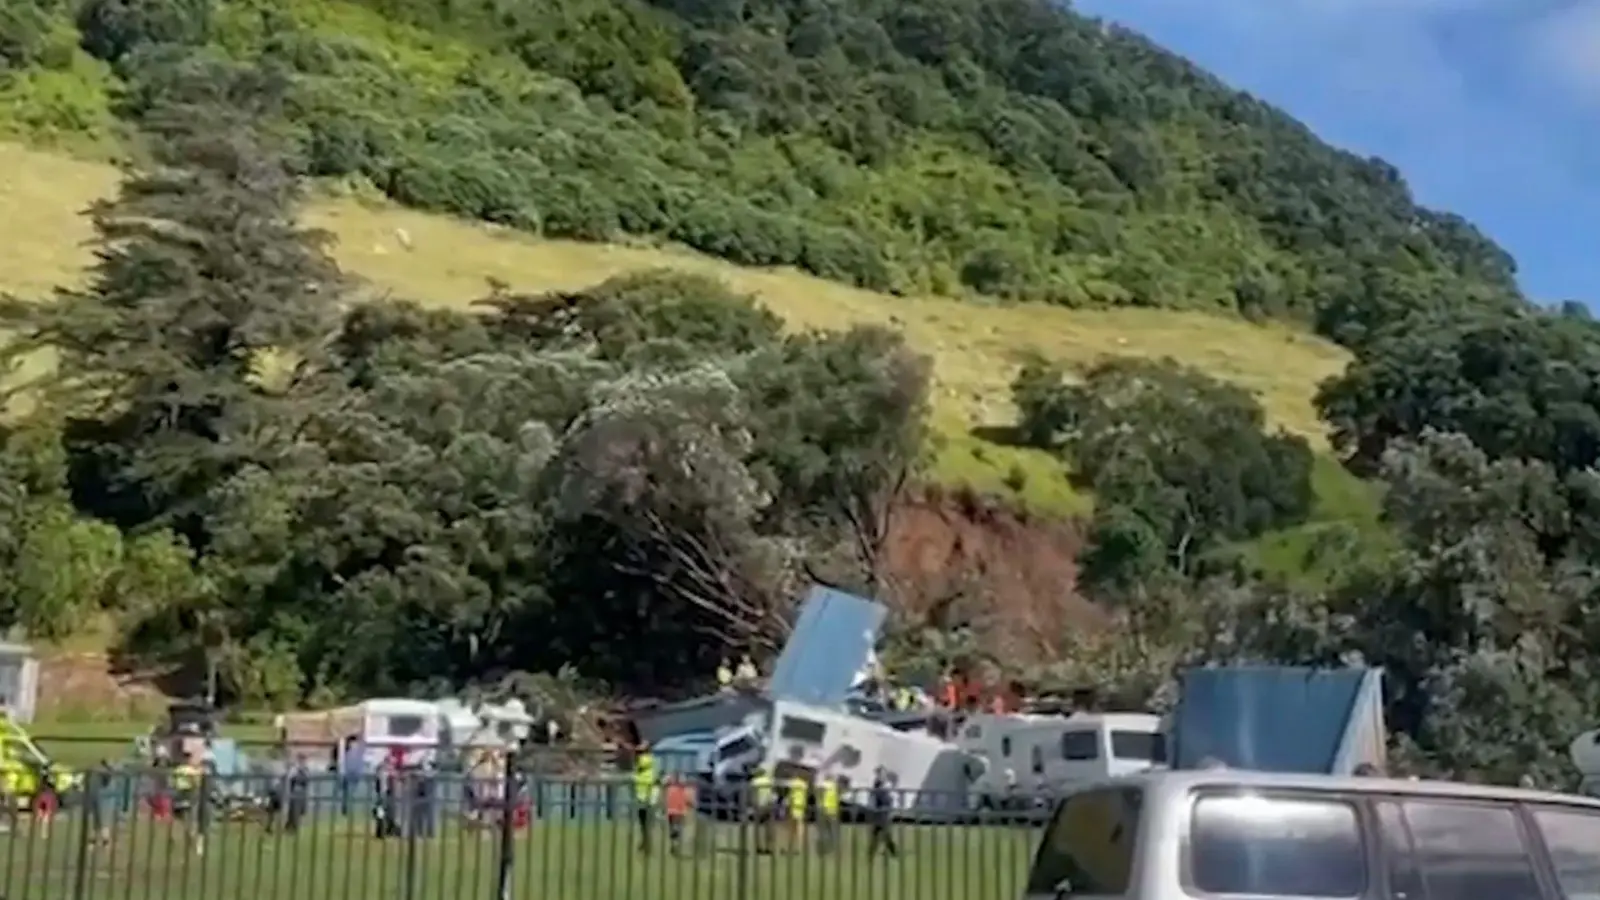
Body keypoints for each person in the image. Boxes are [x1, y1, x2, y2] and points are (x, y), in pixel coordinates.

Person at [866, 768, 898, 858]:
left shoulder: (875, 793)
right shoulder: (883, 793)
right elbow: (888, 802)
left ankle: (870, 855)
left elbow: (872, 805)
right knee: (885, 837)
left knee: (876, 838)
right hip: (882, 818)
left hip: (878, 818)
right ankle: (893, 853)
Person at [633, 744, 658, 854]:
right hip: (646, 797)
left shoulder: (644, 762)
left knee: (645, 823)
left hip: (646, 797)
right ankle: (645, 843)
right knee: (646, 823)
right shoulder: (650, 764)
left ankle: (646, 844)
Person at [662, 773, 694, 856]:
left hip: (671, 811)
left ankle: (673, 845)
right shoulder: (683, 790)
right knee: (677, 829)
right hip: (679, 812)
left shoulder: (670, 789)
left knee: (673, 828)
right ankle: (675, 845)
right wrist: (692, 805)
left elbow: (665, 798)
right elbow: (688, 801)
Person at [750, 765, 775, 854]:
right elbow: (771, 794)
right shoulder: (769, 781)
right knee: (769, 828)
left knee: (757, 828)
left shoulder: (754, 782)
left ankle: (758, 847)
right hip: (768, 806)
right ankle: (769, 848)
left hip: (758, 806)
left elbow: (753, 795)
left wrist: (753, 805)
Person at [784, 771, 809, 853]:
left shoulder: (794, 783)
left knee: (792, 826)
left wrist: (787, 803)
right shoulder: (804, 784)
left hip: (794, 805)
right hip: (801, 805)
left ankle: (792, 846)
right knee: (800, 825)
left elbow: (791, 795)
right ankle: (801, 845)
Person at [815, 776, 841, 855]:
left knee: (823, 830)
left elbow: (818, 792)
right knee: (833, 831)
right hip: (833, 810)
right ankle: (834, 848)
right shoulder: (835, 786)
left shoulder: (824, 785)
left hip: (825, 809)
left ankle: (823, 847)